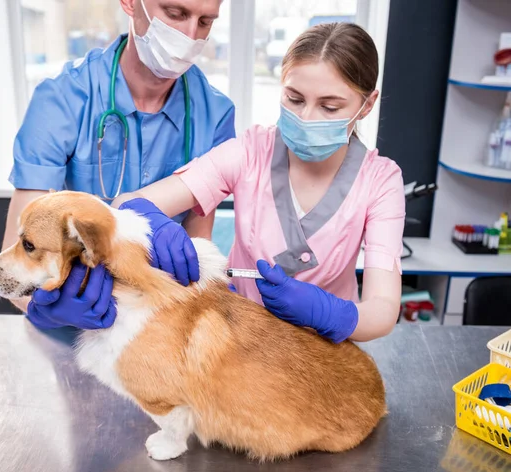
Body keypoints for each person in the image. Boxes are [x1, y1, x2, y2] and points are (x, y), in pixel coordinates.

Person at [113, 23, 406, 344]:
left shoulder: (381, 181)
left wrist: (329, 313)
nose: (306, 117)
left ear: (367, 104)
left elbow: (383, 308)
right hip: (239, 346)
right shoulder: (251, 151)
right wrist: (149, 220)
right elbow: (127, 203)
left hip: (327, 361)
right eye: (295, 99)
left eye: (329, 106)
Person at [0, 0, 235, 329]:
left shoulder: (215, 115)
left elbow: (196, 249)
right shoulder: (62, 99)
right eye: (176, 13)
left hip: (155, 323)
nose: (190, 34)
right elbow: (21, 257)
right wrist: (45, 308)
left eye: (205, 22)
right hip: (71, 322)